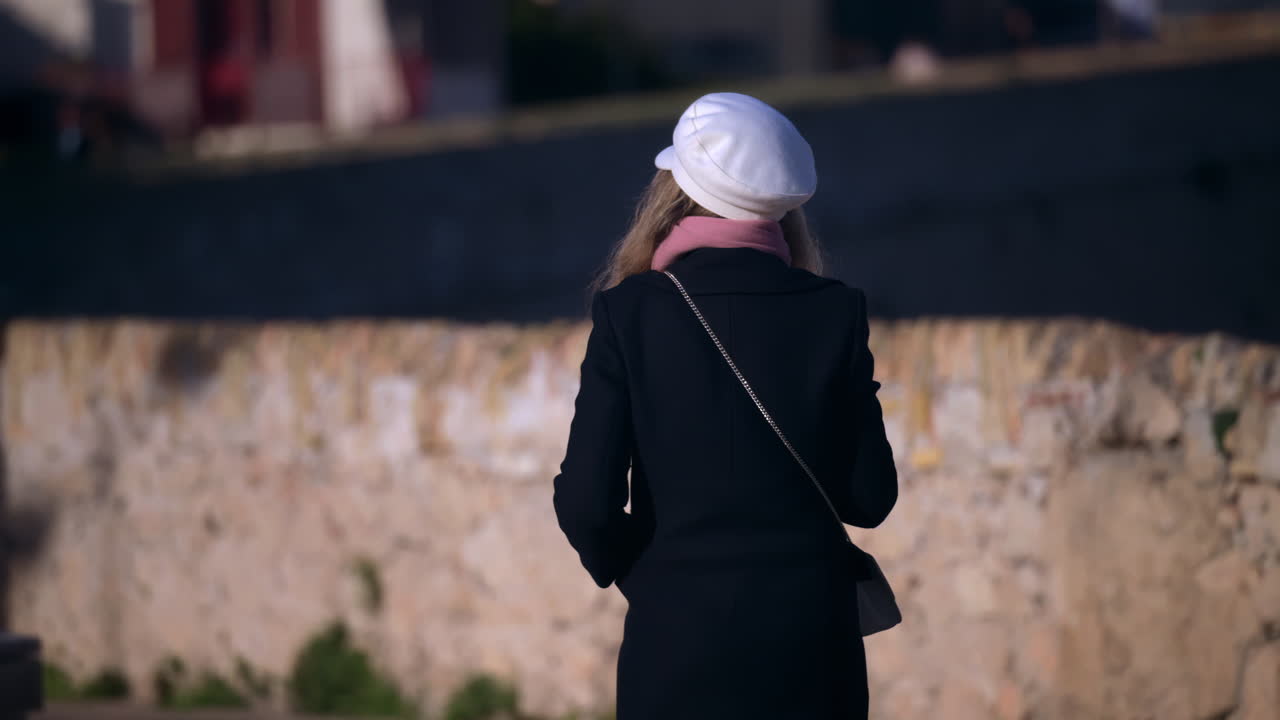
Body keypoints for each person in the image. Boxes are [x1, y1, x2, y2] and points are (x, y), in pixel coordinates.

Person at [552, 92, 898, 719]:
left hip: (677, 651)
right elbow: (870, 500)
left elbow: (585, 503)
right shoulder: (835, 312)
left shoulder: (629, 314)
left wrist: (648, 576)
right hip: (813, 656)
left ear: (672, 193)